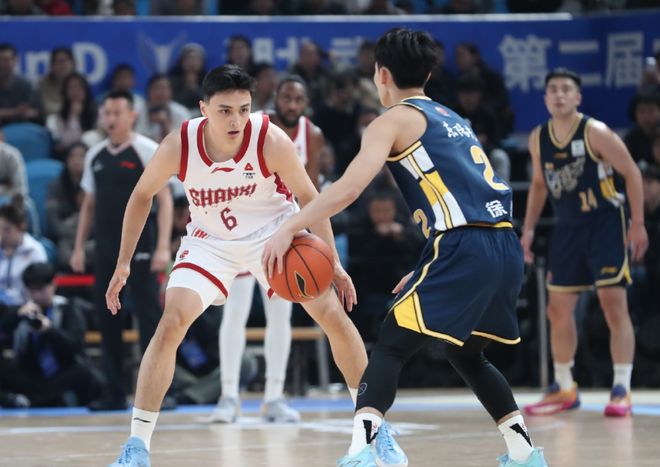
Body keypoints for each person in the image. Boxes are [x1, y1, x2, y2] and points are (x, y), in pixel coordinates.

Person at [263, 28, 547, 467]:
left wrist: (291, 226)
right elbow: (465, 197)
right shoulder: (453, 117)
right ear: (429, 74)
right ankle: (524, 453)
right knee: (465, 352)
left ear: (381, 74)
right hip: (500, 244)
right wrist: (430, 263)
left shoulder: (391, 120)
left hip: (464, 245)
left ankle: (360, 452)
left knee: (391, 344)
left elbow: (349, 188)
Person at [105, 65, 368, 466]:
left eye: (243, 109)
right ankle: (137, 447)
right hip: (211, 242)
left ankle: (373, 433)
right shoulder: (180, 144)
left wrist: (332, 262)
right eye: (225, 110)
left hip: (274, 235)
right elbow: (142, 195)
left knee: (331, 313)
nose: (236, 120)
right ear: (203, 109)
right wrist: (123, 263)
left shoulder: (270, 139)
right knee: (171, 321)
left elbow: (309, 197)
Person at [521, 68, 648, 418]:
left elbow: (632, 172)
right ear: (545, 98)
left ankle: (621, 388)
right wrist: (528, 229)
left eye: (566, 89)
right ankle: (564, 386)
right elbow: (539, 185)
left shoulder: (595, 132)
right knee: (557, 309)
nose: (559, 94)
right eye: (553, 89)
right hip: (568, 227)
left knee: (613, 305)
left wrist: (638, 223)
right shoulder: (538, 138)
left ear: (577, 97)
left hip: (605, 222)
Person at [210, 74, 325, 424]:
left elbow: (311, 189)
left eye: (298, 99)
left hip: (284, 229)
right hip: (244, 225)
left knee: (281, 314)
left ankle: (274, 397)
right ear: (275, 98)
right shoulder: (255, 125)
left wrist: (309, 235)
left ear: (306, 103)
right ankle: (229, 396)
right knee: (235, 312)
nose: (291, 104)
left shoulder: (312, 134)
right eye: (286, 98)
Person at [70, 90, 173, 411]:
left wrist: (162, 246)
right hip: (105, 249)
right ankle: (113, 393)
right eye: (107, 113)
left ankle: (157, 394)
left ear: (132, 116)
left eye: (118, 113)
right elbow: (89, 205)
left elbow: (165, 200)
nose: (111, 119)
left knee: (149, 319)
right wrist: (78, 247)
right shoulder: (95, 154)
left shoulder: (147, 150)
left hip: (142, 249)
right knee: (107, 319)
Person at [0, 262, 103, 406]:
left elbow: (76, 347)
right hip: (31, 375)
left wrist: (49, 330)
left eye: (41, 289)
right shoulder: (21, 311)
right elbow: (4, 333)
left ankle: (33, 400)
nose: (36, 295)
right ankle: (43, 399)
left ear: (53, 285)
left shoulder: (68, 308)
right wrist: (16, 316)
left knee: (84, 372)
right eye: (32, 290)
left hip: (61, 373)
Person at [0, 201, 48, 308]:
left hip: (24, 308)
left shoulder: (34, 251)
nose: (2, 234)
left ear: (21, 228)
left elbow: (39, 287)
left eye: (7, 230)